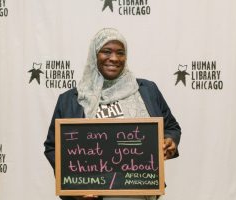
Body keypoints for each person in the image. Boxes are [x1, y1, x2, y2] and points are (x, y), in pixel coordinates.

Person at [44, 28, 181, 200]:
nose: (114, 58)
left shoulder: (147, 90)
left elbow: (171, 127)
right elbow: (53, 148)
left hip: (141, 192)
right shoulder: (71, 100)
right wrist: (75, 188)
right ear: (95, 55)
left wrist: (170, 141)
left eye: (120, 53)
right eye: (106, 51)